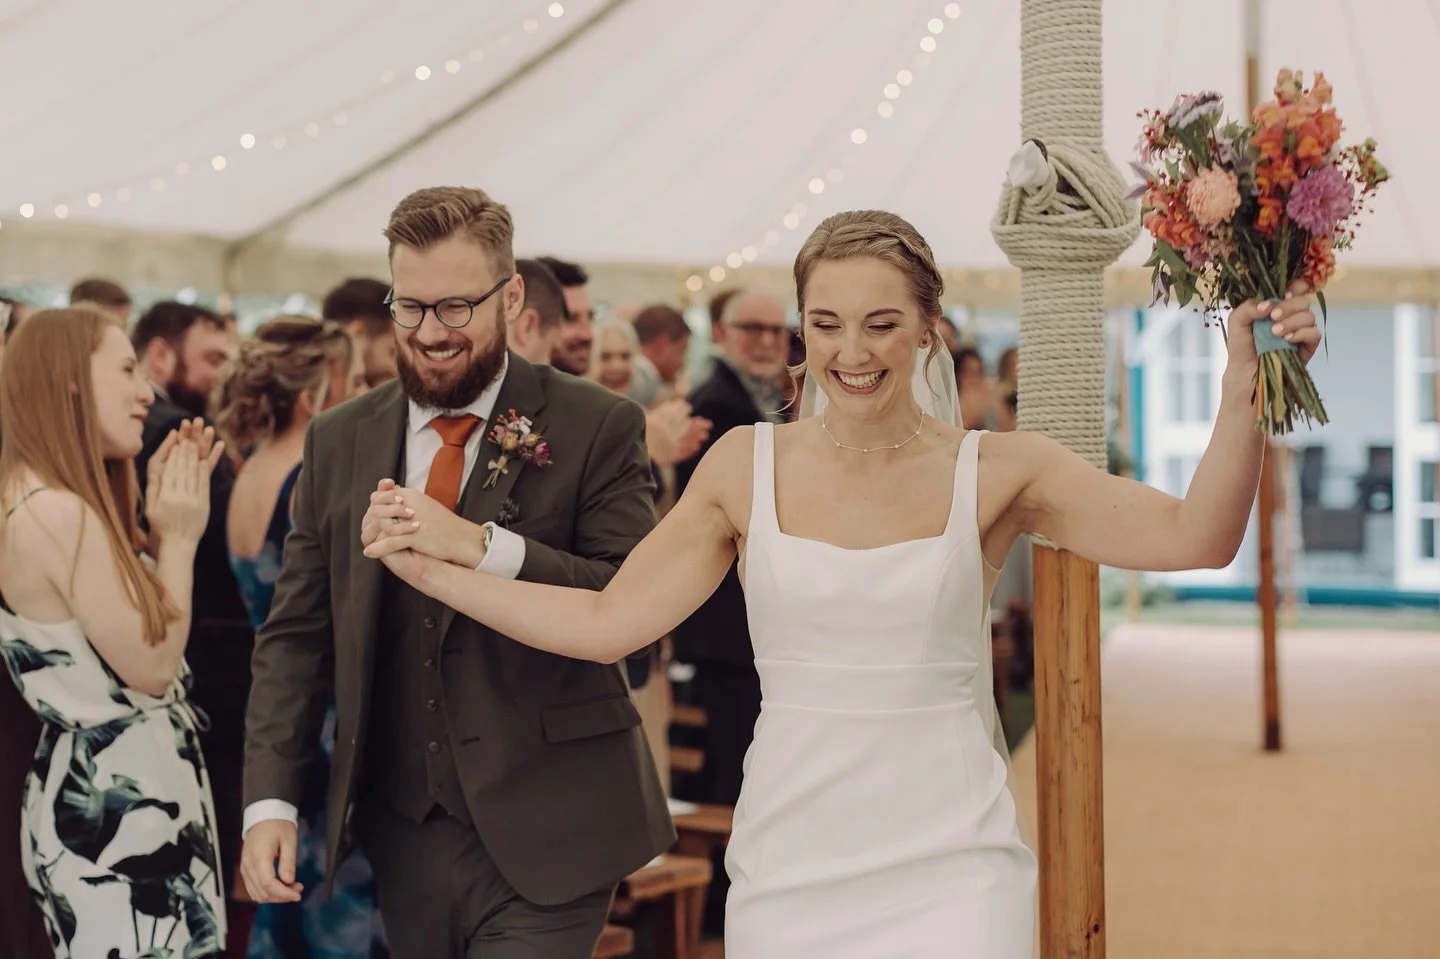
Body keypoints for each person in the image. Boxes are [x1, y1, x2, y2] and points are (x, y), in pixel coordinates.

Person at [361, 208, 1322, 957]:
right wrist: (445, 564)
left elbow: (1198, 535)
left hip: (955, 867)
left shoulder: (1000, 470)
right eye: (825, 324)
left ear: (926, 331)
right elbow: (610, 622)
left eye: (879, 324)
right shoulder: (745, 466)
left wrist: (1246, 386)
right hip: (793, 865)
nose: (850, 353)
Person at [240, 186, 673, 959]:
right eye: (410, 308)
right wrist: (269, 799)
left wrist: (478, 547)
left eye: (455, 308)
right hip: (405, 831)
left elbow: (627, 600)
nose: (430, 332)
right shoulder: (340, 437)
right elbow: (296, 637)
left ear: (510, 297)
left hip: (558, 820)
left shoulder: (597, 423)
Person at [0, 307, 228, 958]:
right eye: (126, 369)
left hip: (121, 794)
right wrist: (178, 539)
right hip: (119, 808)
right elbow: (152, 664)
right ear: (69, 381)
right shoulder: (53, 510)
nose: (146, 392)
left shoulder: (42, 498)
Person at [215, 317, 384, 958]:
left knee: (297, 886)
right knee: (339, 894)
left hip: (281, 708)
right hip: (326, 710)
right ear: (317, 394)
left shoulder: (249, 471)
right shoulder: (309, 477)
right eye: (358, 382)